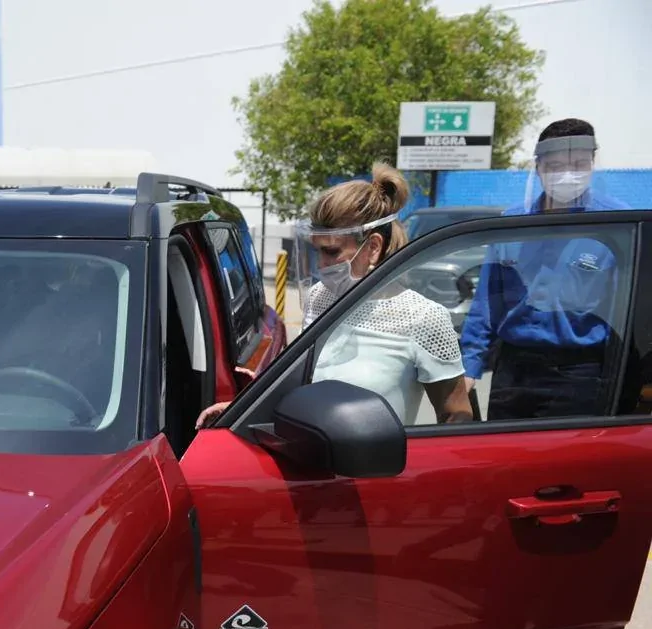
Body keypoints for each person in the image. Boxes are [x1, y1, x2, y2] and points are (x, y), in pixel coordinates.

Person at [196, 163, 472, 428]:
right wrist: (243, 411)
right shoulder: (319, 297)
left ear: (373, 247)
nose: (321, 265)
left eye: (331, 251)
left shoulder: (424, 317)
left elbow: (456, 417)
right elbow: (302, 383)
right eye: (318, 251)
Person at [459, 118, 631, 420]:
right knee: (505, 460)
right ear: (538, 168)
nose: (567, 175)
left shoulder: (615, 225)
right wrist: (469, 366)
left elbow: (633, 311)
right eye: (555, 167)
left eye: (578, 164)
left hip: (582, 374)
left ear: (592, 164)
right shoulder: (515, 223)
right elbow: (486, 303)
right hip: (514, 371)